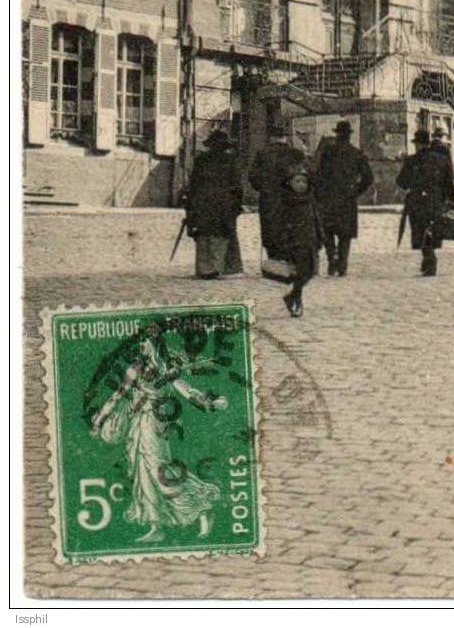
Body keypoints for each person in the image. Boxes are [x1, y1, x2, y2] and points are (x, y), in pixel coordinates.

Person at [90, 323, 226, 544]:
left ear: (156, 344)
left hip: (156, 423)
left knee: (159, 470)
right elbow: (117, 396)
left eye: (148, 342)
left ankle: (201, 509)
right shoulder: (135, 368)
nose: (143, 346)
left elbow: (187, 391)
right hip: (137, 424)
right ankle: (156, 526)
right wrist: (99, 421)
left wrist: (209, 403)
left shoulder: (167, 369)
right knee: (142, 472)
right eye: (142, 342)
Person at [312, 119, 374, 276]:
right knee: (345, 234)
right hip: (348, 198)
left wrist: (319, 194)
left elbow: (319, 175)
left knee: (328, 231)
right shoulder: (356, 153)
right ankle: (342, 264)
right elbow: (368, 177)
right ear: (349, 136)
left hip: (328, 198)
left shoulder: (327, 152)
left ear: (337, 134)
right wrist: (356, 191)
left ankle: (332, 259)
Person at [396, 125, 454, 276]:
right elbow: (449, 182)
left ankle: (429, 259)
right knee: (431, 230)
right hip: (436, 201)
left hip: (417, 202)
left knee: (420, 231)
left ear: (417, 144)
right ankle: (428, 260)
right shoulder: (442, 159)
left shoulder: (412, 160)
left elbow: (401, 182)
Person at [249, 122, 307, 274]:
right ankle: (291, 263)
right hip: (292, 200)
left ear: (271, 138)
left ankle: (273, 263)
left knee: (270, 230)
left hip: (269, 200)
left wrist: (263, 189)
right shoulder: (296, 154)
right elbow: (304, 178)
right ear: (285, 138)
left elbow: (253, 177)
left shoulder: (262, 154)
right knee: (291, 230)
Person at [185, 128, 244, 279]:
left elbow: (193, 184)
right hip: (224, 203)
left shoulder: (201, 160)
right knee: (223, 233)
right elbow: (237, 185)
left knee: (204, 234)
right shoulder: (231, 161)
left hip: (203, 203)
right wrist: (237, 205)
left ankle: (204, 268)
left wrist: (190, 205)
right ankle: (223, 267)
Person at [277, 160, 325, 318]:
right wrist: (282, 241)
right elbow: (279, 223)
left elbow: (316, 219)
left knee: (310, 271)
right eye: (297, 181)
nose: (301, 185)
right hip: (294, 242)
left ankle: (293, 296)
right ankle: (297, 299)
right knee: (300, 273)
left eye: (304, 181)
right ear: (289, 183)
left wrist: (320, 237)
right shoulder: (286, 202)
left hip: (309, 240)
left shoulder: (310, 200)